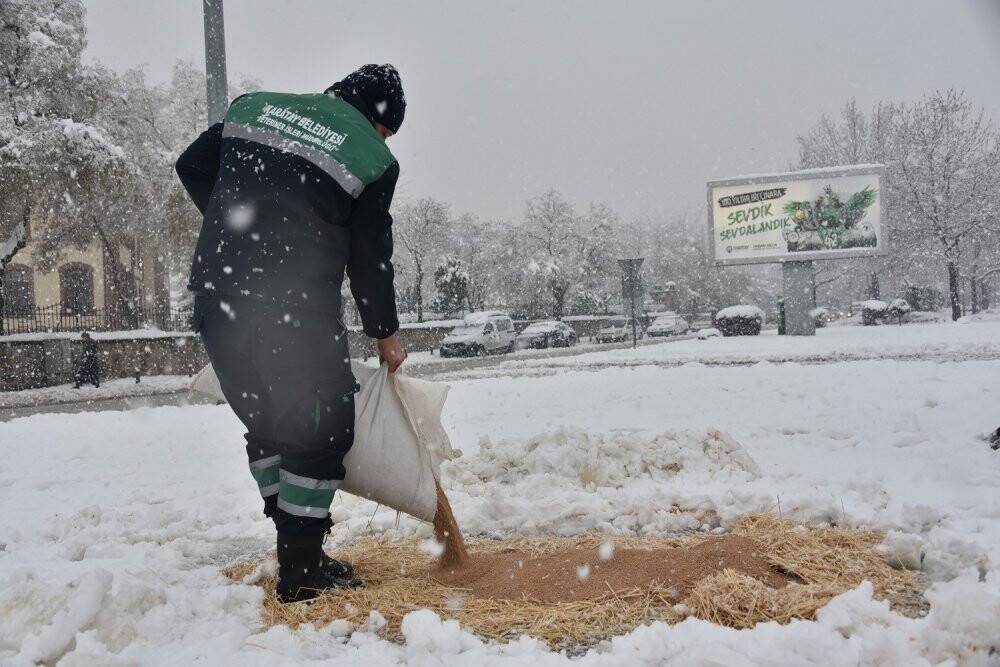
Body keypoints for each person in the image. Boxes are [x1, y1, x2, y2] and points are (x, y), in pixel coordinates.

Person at [175, 64, 408, 602]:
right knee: (319, 428)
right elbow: (371, 254)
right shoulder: (374, 158)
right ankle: (303, 573)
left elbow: (191, 165)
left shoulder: (255, 108)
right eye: (389, 129)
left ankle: (297, 551)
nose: (386, 140)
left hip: (219, 293)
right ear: (379, 121)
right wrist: (384, 334)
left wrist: (241, 222)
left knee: (269, 421)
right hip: (294, 302)